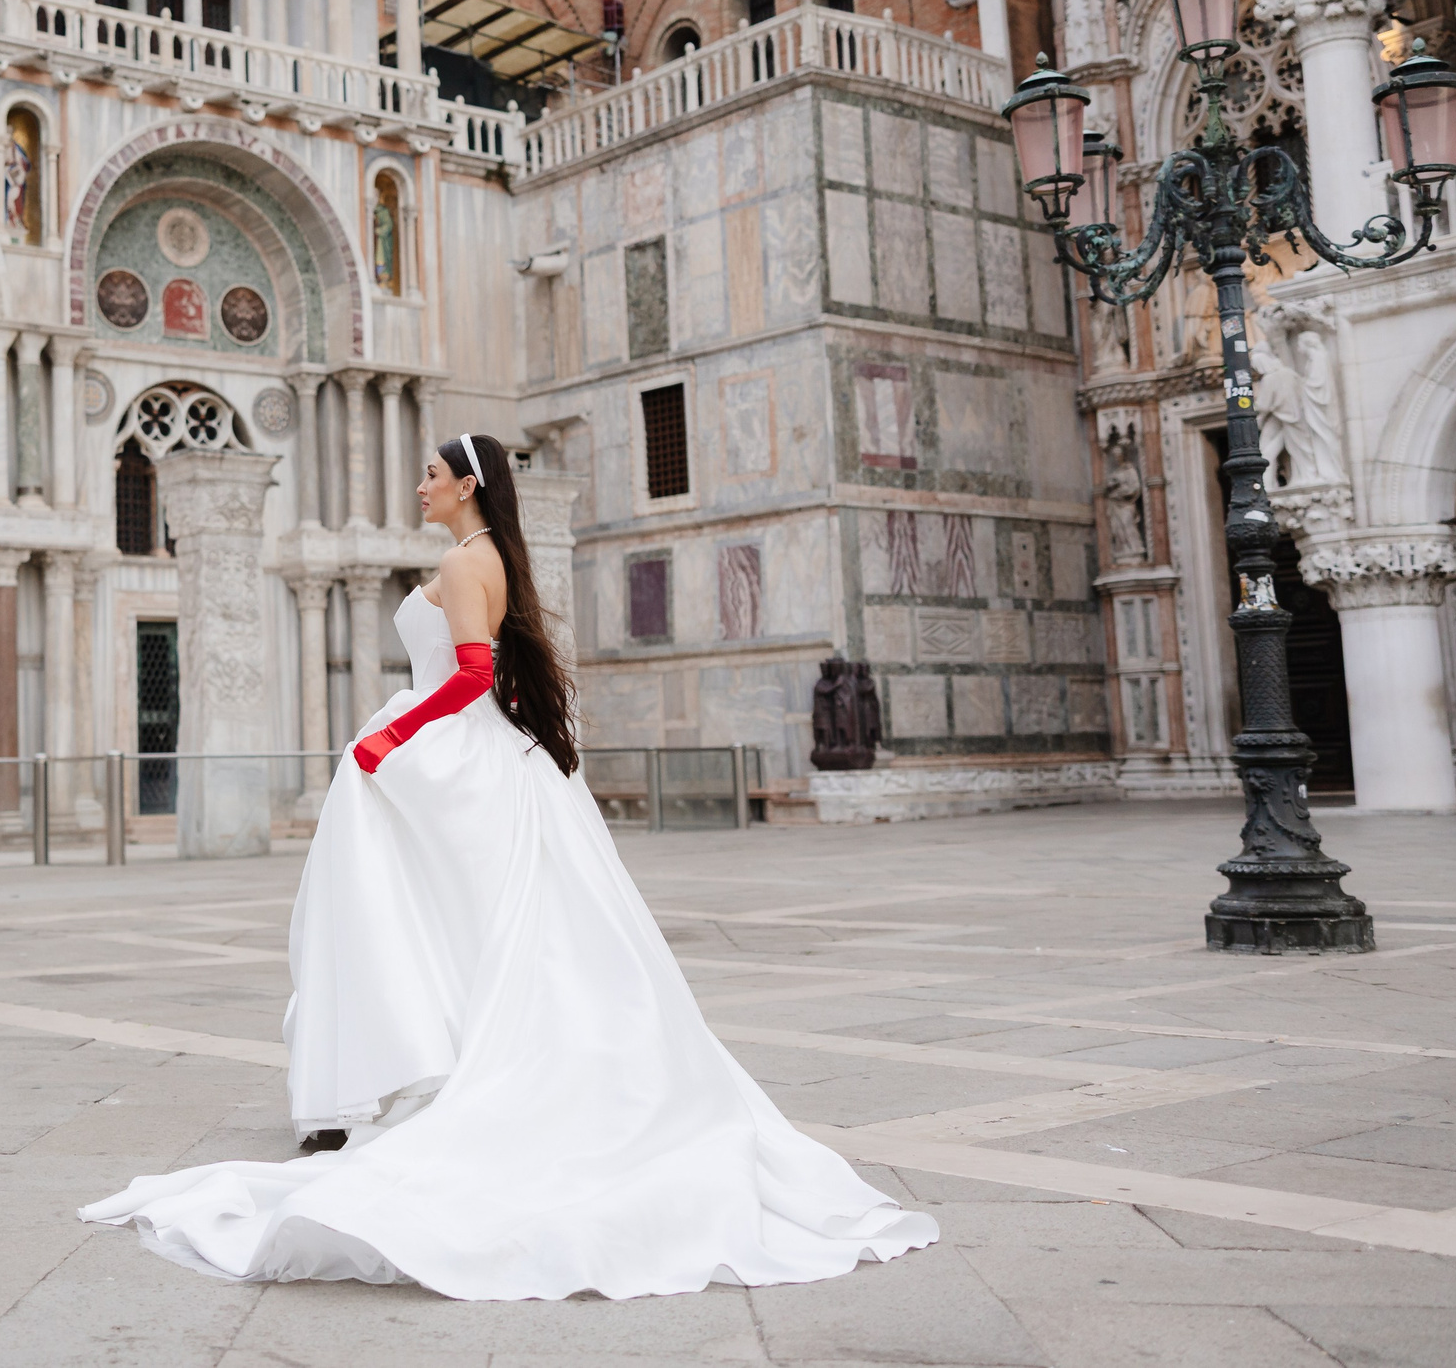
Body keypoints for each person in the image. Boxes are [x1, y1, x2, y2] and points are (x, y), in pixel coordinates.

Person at [80, 434, 938, 1300]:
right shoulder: (497, 556)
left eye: (431, 474)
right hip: (493, 754)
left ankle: (425, 1069)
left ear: (468, 485)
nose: (420, 485)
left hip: (453, 744)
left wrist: (389, 736)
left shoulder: (464, 562)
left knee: (400, 906)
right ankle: (440, 1063)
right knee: (473, 920)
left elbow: (470, 674)